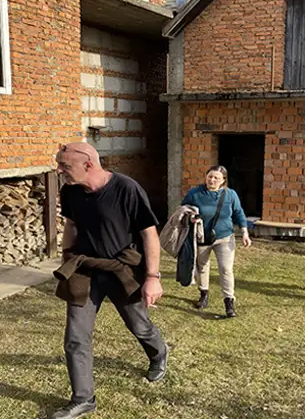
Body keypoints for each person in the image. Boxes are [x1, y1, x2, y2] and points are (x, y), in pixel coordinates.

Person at [51, 142, 168, 419]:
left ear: (88, 165)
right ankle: (83, 398)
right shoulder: (70, 191)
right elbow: (72, 224)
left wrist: (152, 277)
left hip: (121, 270)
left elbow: (149, 234)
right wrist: (66, 256)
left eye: (64, 165)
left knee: (139, 325)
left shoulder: (127, 189)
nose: (59, 170)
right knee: (75, 337)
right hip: (85, 270)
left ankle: (158, 353)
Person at [181, 165, 251, 318]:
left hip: (224, 237)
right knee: (203, 267)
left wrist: (245, 232)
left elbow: (239, 213)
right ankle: (203, 294)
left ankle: (229, 302)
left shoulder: (230, 195)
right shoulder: (195, 193)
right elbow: (183, 209)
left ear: (223, 181)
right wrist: (190, 217)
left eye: (216, 178)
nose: (212, 180)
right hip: (201, 237)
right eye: (209, 176)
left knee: (226, 269)